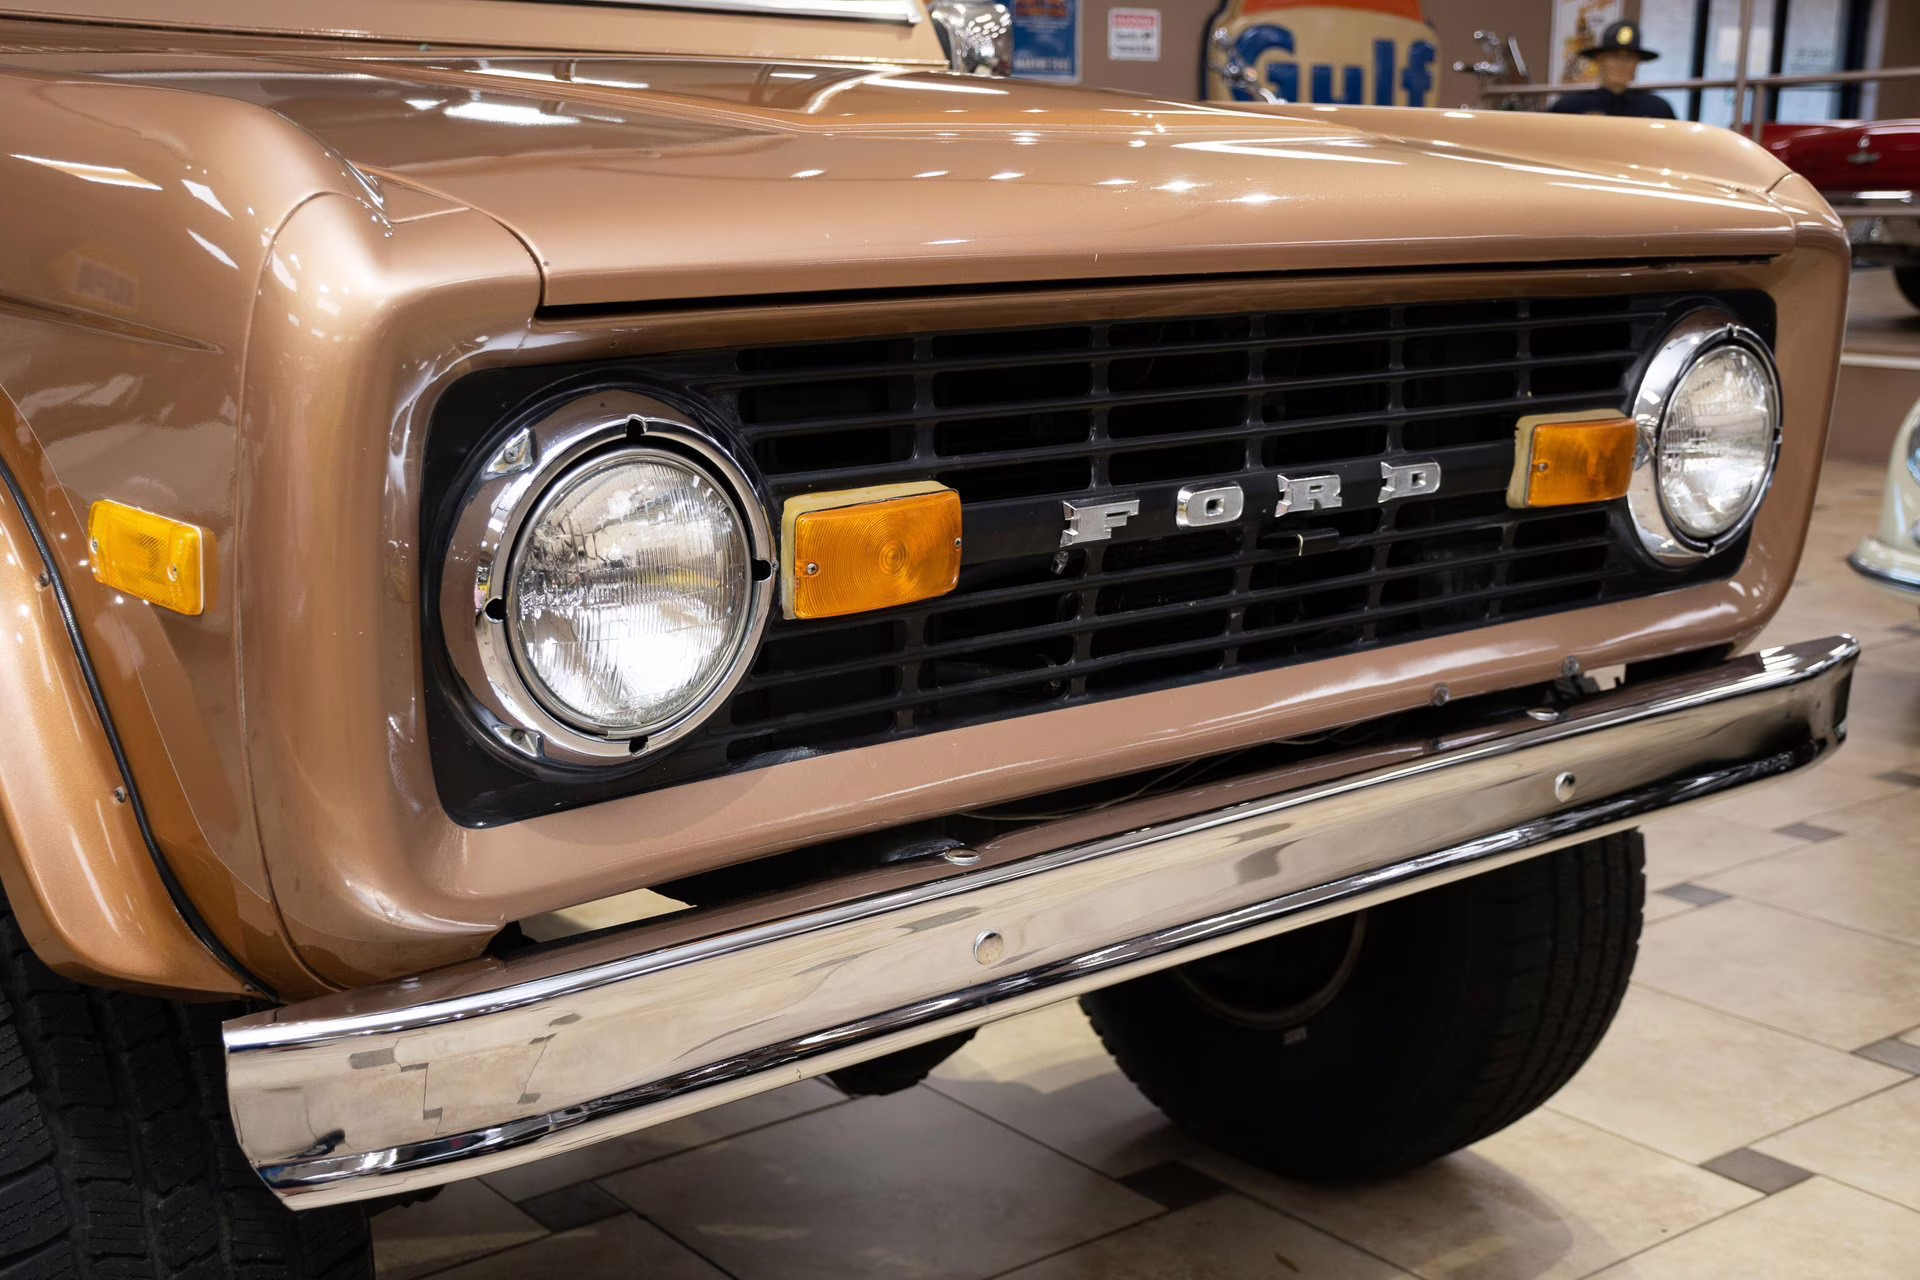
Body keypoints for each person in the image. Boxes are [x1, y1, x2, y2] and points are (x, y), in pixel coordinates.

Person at [1549, 20, 1676, 119]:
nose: (1621, 64)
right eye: (1614, 56)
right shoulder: (1571, 107)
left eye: (1629, 57)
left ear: (1637, 63)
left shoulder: (1657, 109)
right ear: (1599, 60)